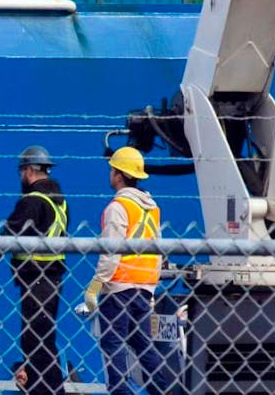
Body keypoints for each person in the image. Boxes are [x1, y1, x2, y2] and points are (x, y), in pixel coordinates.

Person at [0, 145, 68, 395]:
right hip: (52, 278)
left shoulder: (33, 201)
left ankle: (46, 391)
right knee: (44, 341)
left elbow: (11, 233)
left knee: (34, 341)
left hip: (36, 279)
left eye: (21, 171)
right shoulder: (58, 200)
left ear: (29, 170)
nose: (20, 177)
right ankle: (48, 390)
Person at [83, 146, 174, 395]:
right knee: (142, 344)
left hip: (119, 286)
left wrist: (95, 287)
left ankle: (120, 392)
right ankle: (162, 391)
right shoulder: (151, 207)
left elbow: (111, 251)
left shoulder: (118, 207)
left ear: (119, 174)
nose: (110, 174)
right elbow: (157, 251)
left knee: (112, 343)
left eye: (112, 169)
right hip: (143, 288)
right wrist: (152, 290)